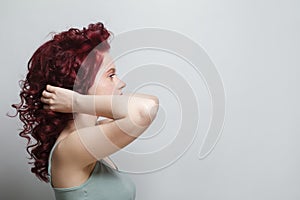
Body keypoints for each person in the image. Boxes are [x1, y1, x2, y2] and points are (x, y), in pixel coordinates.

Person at [11, 22, 159, 200]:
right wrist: (78, 101)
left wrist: (79, 101)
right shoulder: (69, 147)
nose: (121, 83)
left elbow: (147, 104)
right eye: (111, 75)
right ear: (81, 84)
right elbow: (144, 110)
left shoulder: (89, 134)